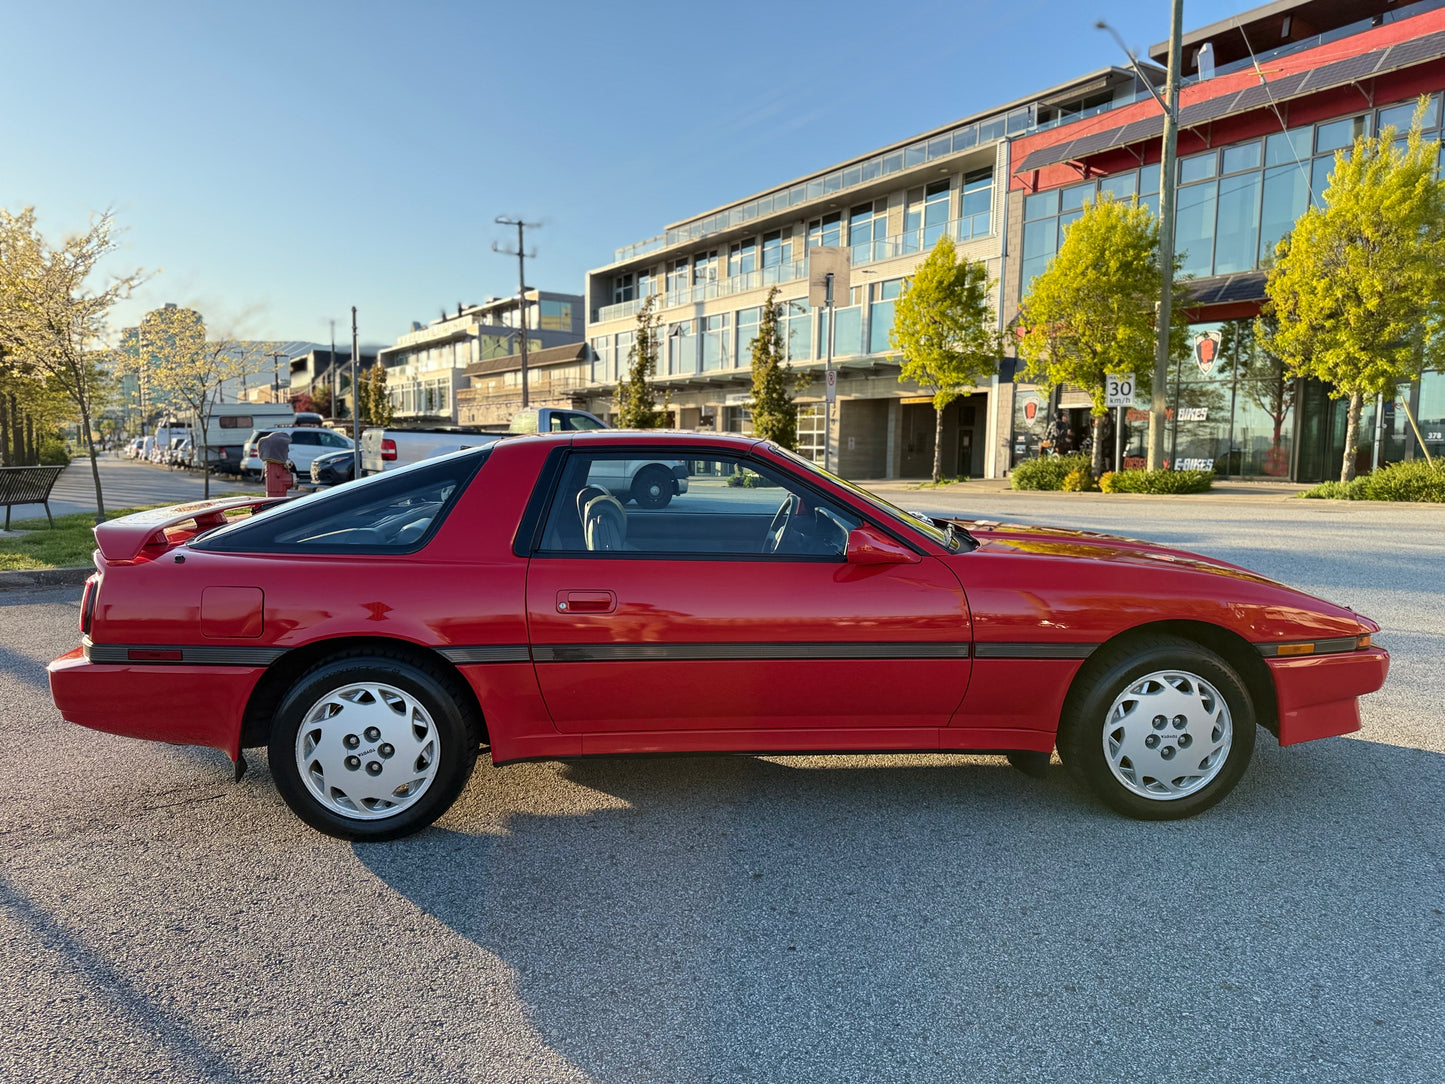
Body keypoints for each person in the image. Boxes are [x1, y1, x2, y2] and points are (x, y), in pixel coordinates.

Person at [257, 430, 294, 498]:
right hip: (279, 493)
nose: (288, 450)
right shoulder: (281, 465)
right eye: (286, 447)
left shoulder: (269, 465)